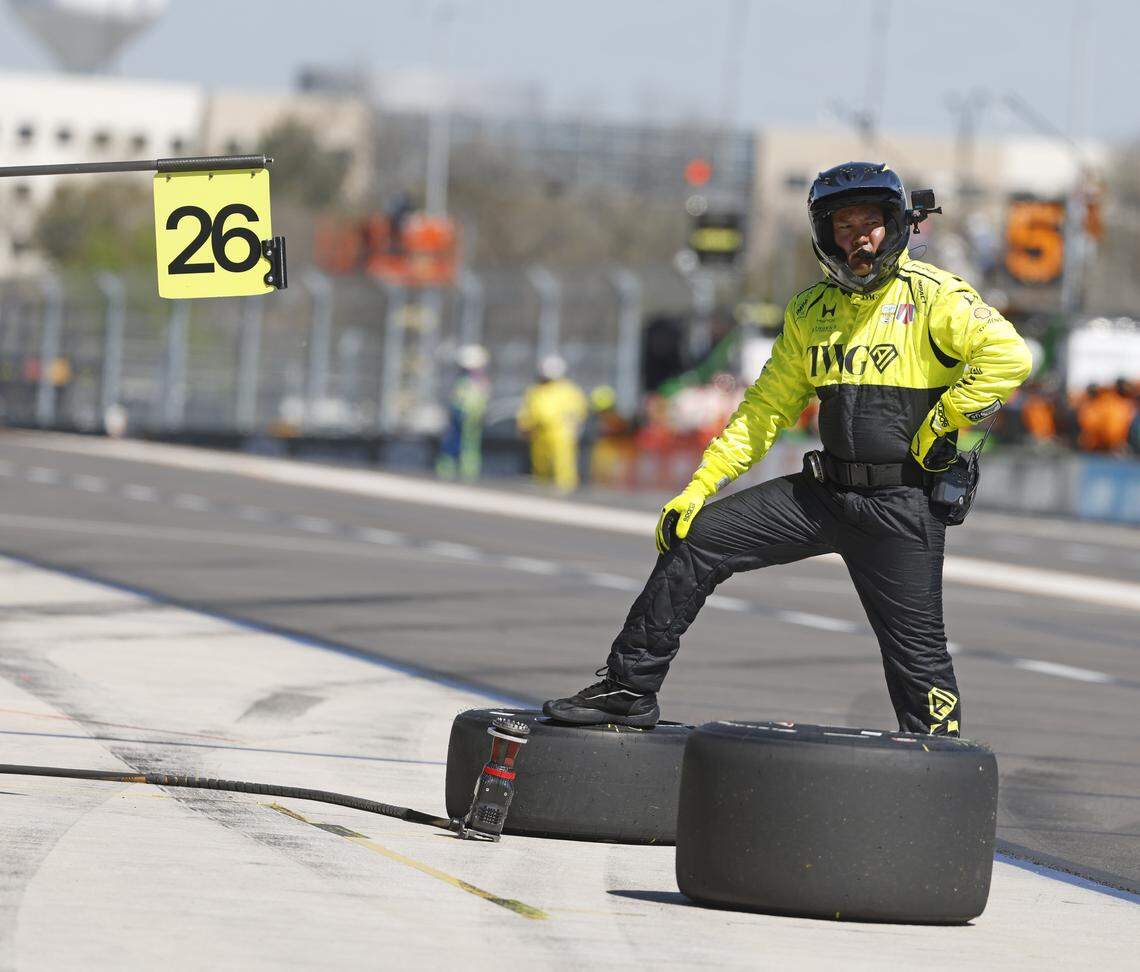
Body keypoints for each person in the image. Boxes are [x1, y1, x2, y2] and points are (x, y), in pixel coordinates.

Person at [544, 162, 1033, 736]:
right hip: (821, 495)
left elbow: (1011, 357)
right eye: (843, 224)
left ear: (898, 225)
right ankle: (628, 689)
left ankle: (941, 764)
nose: (859, 236)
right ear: (825, 236)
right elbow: (764, 411)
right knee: (696, 537)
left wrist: (943, 425)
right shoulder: (809, 310)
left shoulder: (935, 299)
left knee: (918, 656)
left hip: (901, 506)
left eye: (871, 222)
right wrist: (701, 486)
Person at [517, 355, 589, 493]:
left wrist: (573, 424)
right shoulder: (536, 390)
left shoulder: (568, 389)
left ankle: (565, 487)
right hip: (540, 431)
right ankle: (541, 485)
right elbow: (528, 409)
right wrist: (525, 424)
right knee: (540, 461)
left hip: (560, 431)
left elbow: (579, 409)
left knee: (563, 461)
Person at [436, 344, 491, 481]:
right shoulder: (467, 380)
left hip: (471, 416)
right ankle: (450, 469)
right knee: (455, 442)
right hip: (461, 414)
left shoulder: (478, 381)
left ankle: (467, 472)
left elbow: (480, 399)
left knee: (469, 445)